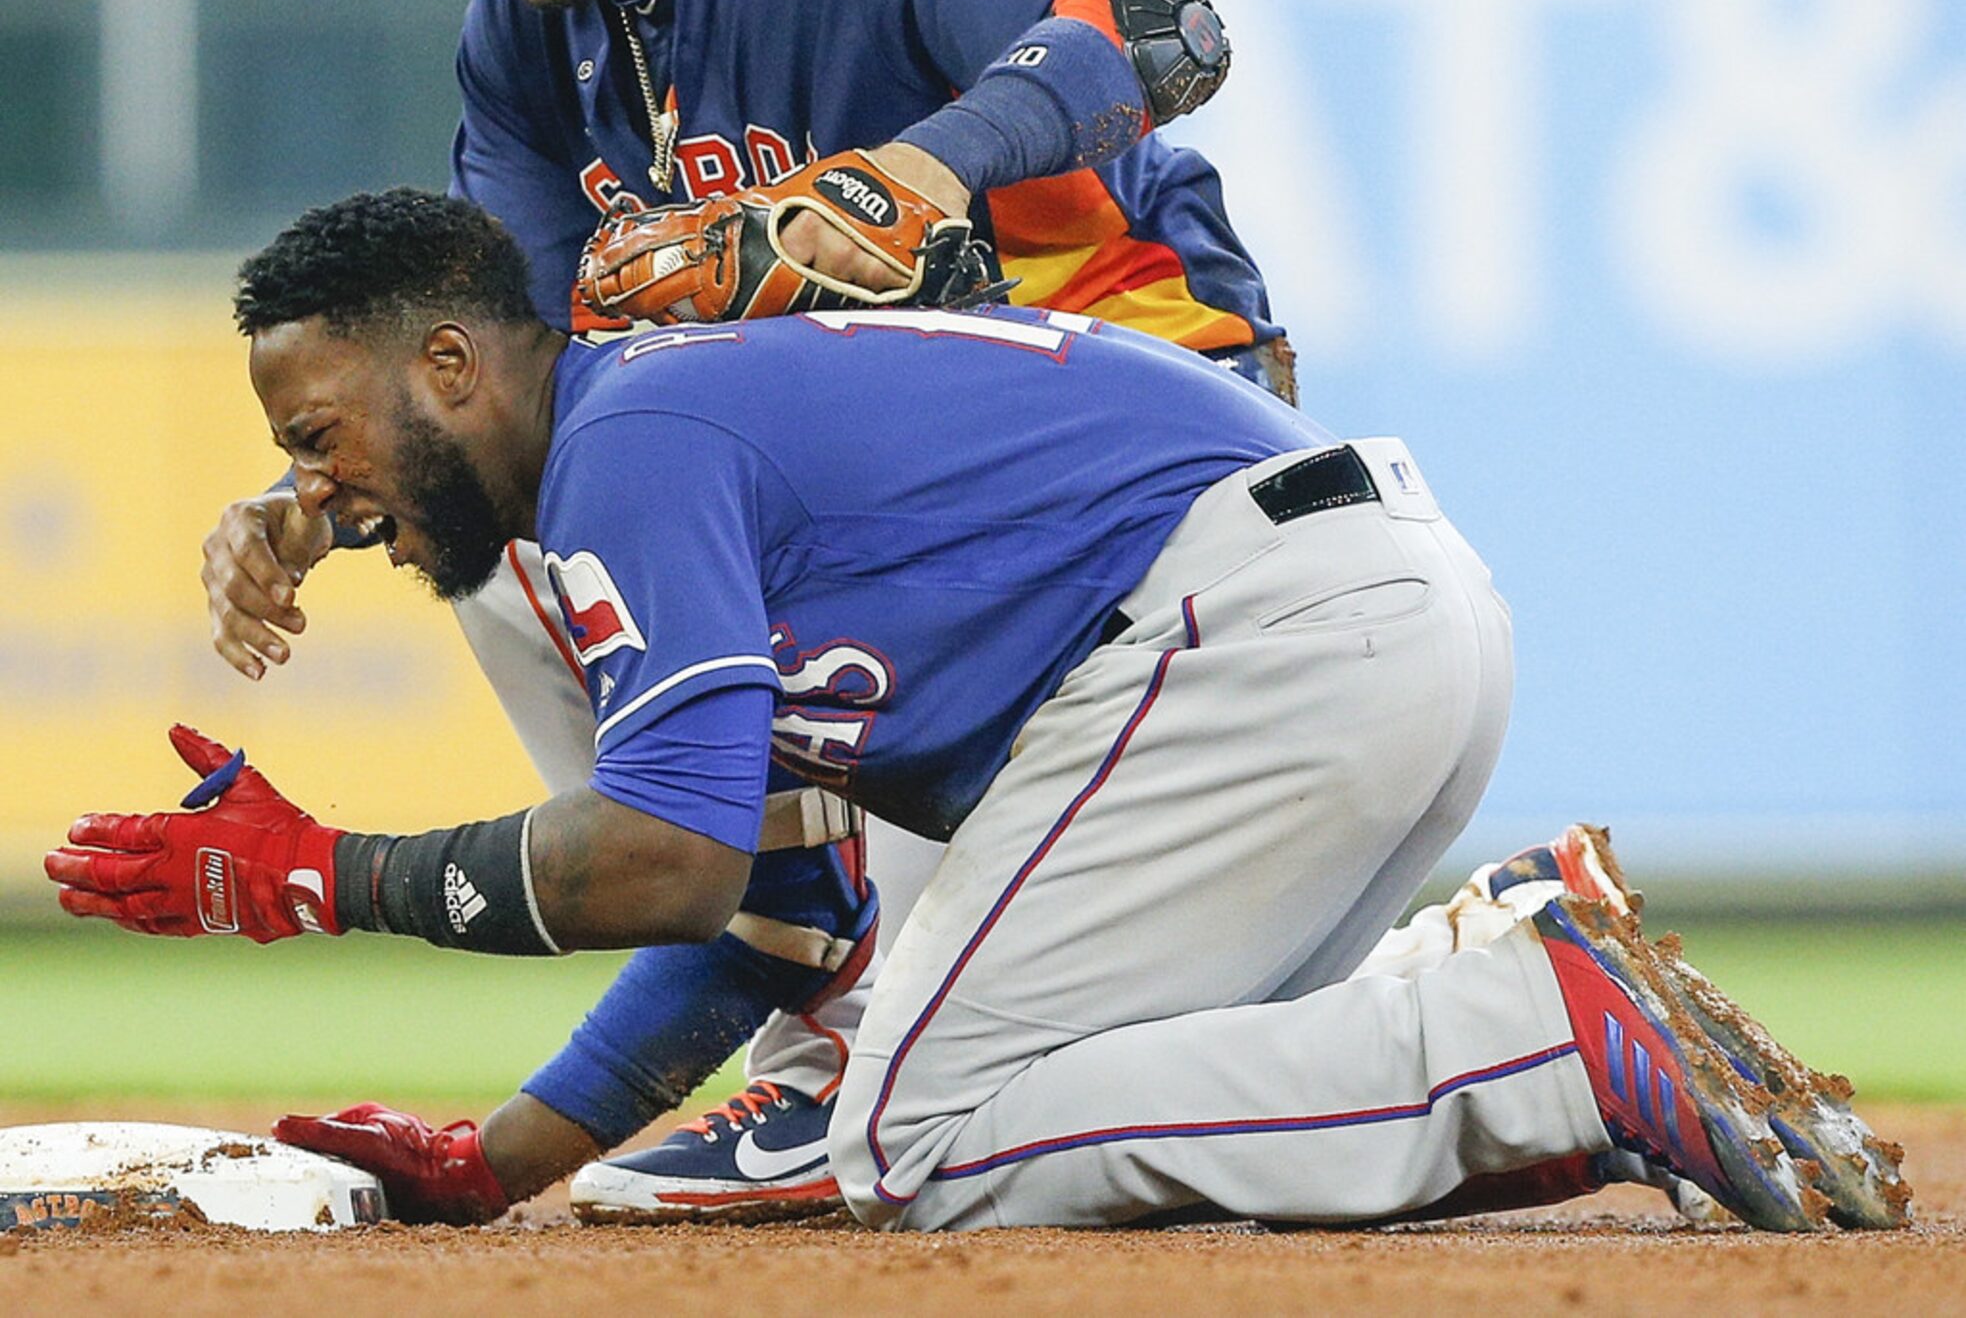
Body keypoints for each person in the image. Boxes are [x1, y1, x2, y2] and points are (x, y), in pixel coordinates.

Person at [58, 191, 1904, 1233]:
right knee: (1053, 1101)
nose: (326, 486)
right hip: (1357, 620)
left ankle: (1530, 1034)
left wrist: (319, 879)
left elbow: (664, 862)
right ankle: (1503, 991)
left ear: (450, 363)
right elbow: (779, 913)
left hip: (1250, 638)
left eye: (322, 435)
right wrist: (508, 1154)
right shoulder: (651, 441)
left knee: (923, 1139)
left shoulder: (630, 451)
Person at [197, 0, 1295, 1216]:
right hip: (886, 505)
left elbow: (1168, 20)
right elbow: (509, 383)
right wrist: (329, 489)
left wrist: (916, 166)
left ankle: (845, 1037)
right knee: (531, 548)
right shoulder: (525, 29)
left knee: (965, 1055)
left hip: (1136, 408)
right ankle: (802, 983)